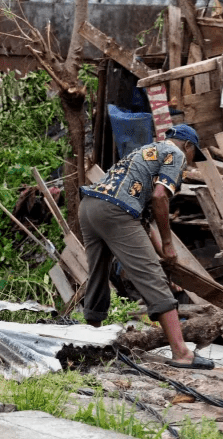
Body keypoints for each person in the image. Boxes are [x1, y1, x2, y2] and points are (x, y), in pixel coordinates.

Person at [79, 124, 214, 370]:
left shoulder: (144, 153)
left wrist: (164, 254)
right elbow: (160, 196)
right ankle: (182, 353)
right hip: (116, 211)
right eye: (195, 156)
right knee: (152, 278)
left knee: (98, 276)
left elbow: (142, 222)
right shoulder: (177, 154)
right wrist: (168, 242)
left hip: (89, 207)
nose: (192, 163)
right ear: (189, 146)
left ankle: (90, 343)